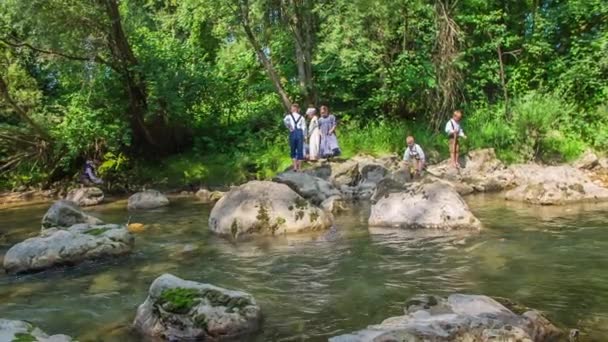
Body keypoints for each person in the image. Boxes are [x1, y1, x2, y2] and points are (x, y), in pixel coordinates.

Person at [283, 103, 307, 172]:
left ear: (293, 109)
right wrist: (305, 136)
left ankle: (295, 167)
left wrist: (290, 127)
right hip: (300, 133)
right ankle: (300, 168)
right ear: (297, 109)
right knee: (300, 150)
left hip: (293, 133)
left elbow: (285, 121)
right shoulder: (301, 117)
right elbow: (304, 127)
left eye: (291, 108)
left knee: (293, 150)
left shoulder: (288, 116)